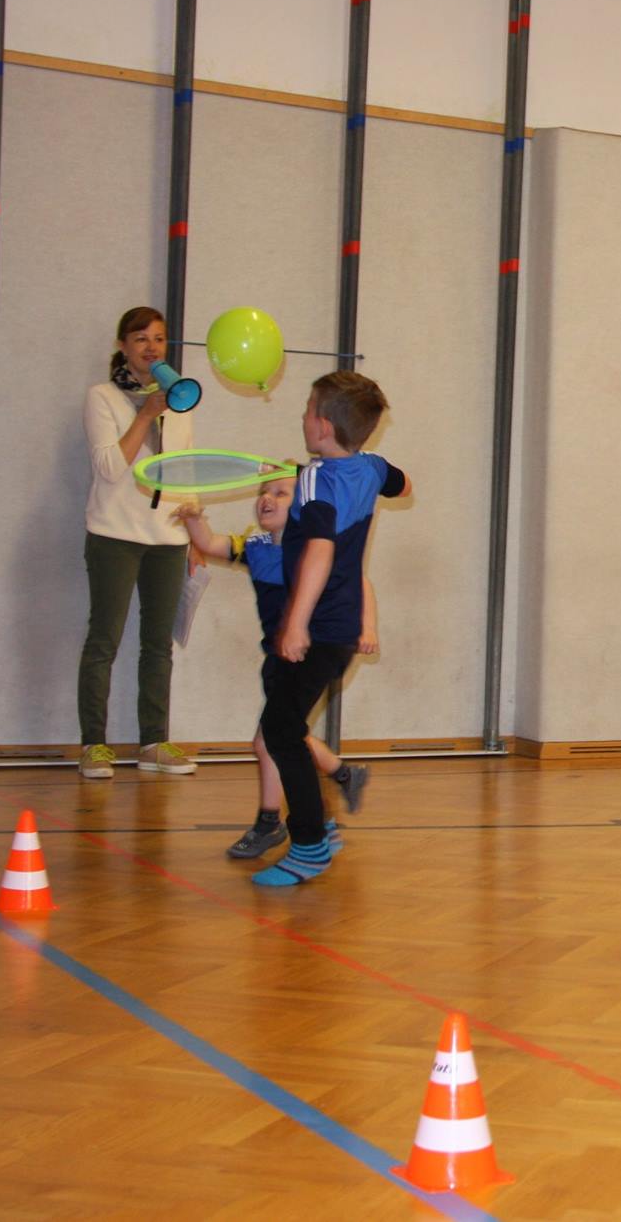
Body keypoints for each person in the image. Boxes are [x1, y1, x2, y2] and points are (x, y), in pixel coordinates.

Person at [251, 371, 409, 887]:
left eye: (306, 408)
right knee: (285, 725)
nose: (301, 416)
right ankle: (322, 827)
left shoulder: (316, 479)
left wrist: (295, 624)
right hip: (340, 629)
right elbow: (403, 484)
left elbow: (319, 550)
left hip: (318, 627)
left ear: (321, 426)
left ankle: (310, 846)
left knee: (280, 732)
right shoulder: (373, 467)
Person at [170, 471, 377, 860]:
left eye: (281, 493)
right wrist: (193, 519)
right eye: (264, 491)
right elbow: (209, 543)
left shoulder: (316, 546)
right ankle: (333, 791)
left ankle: (272, 822)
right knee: (285, 736)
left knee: (270, 740)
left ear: (302, 507)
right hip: (279, 657)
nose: (267, 497)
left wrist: (367, 627)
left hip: (312, 653)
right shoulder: (255, 546)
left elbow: (360, 583)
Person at [77, 306, 196, 779]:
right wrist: (146, 414)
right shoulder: (102, 397)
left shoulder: (182, 398)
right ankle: (94, 745)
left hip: (168, 536)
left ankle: (154, 742)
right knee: (104, 640)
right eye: (141, 338)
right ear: (123, 346)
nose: (151, 347)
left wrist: (194, 531)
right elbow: (110, 467)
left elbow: (183, 467)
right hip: (114, 535)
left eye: (160, 339)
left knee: (158, 645)